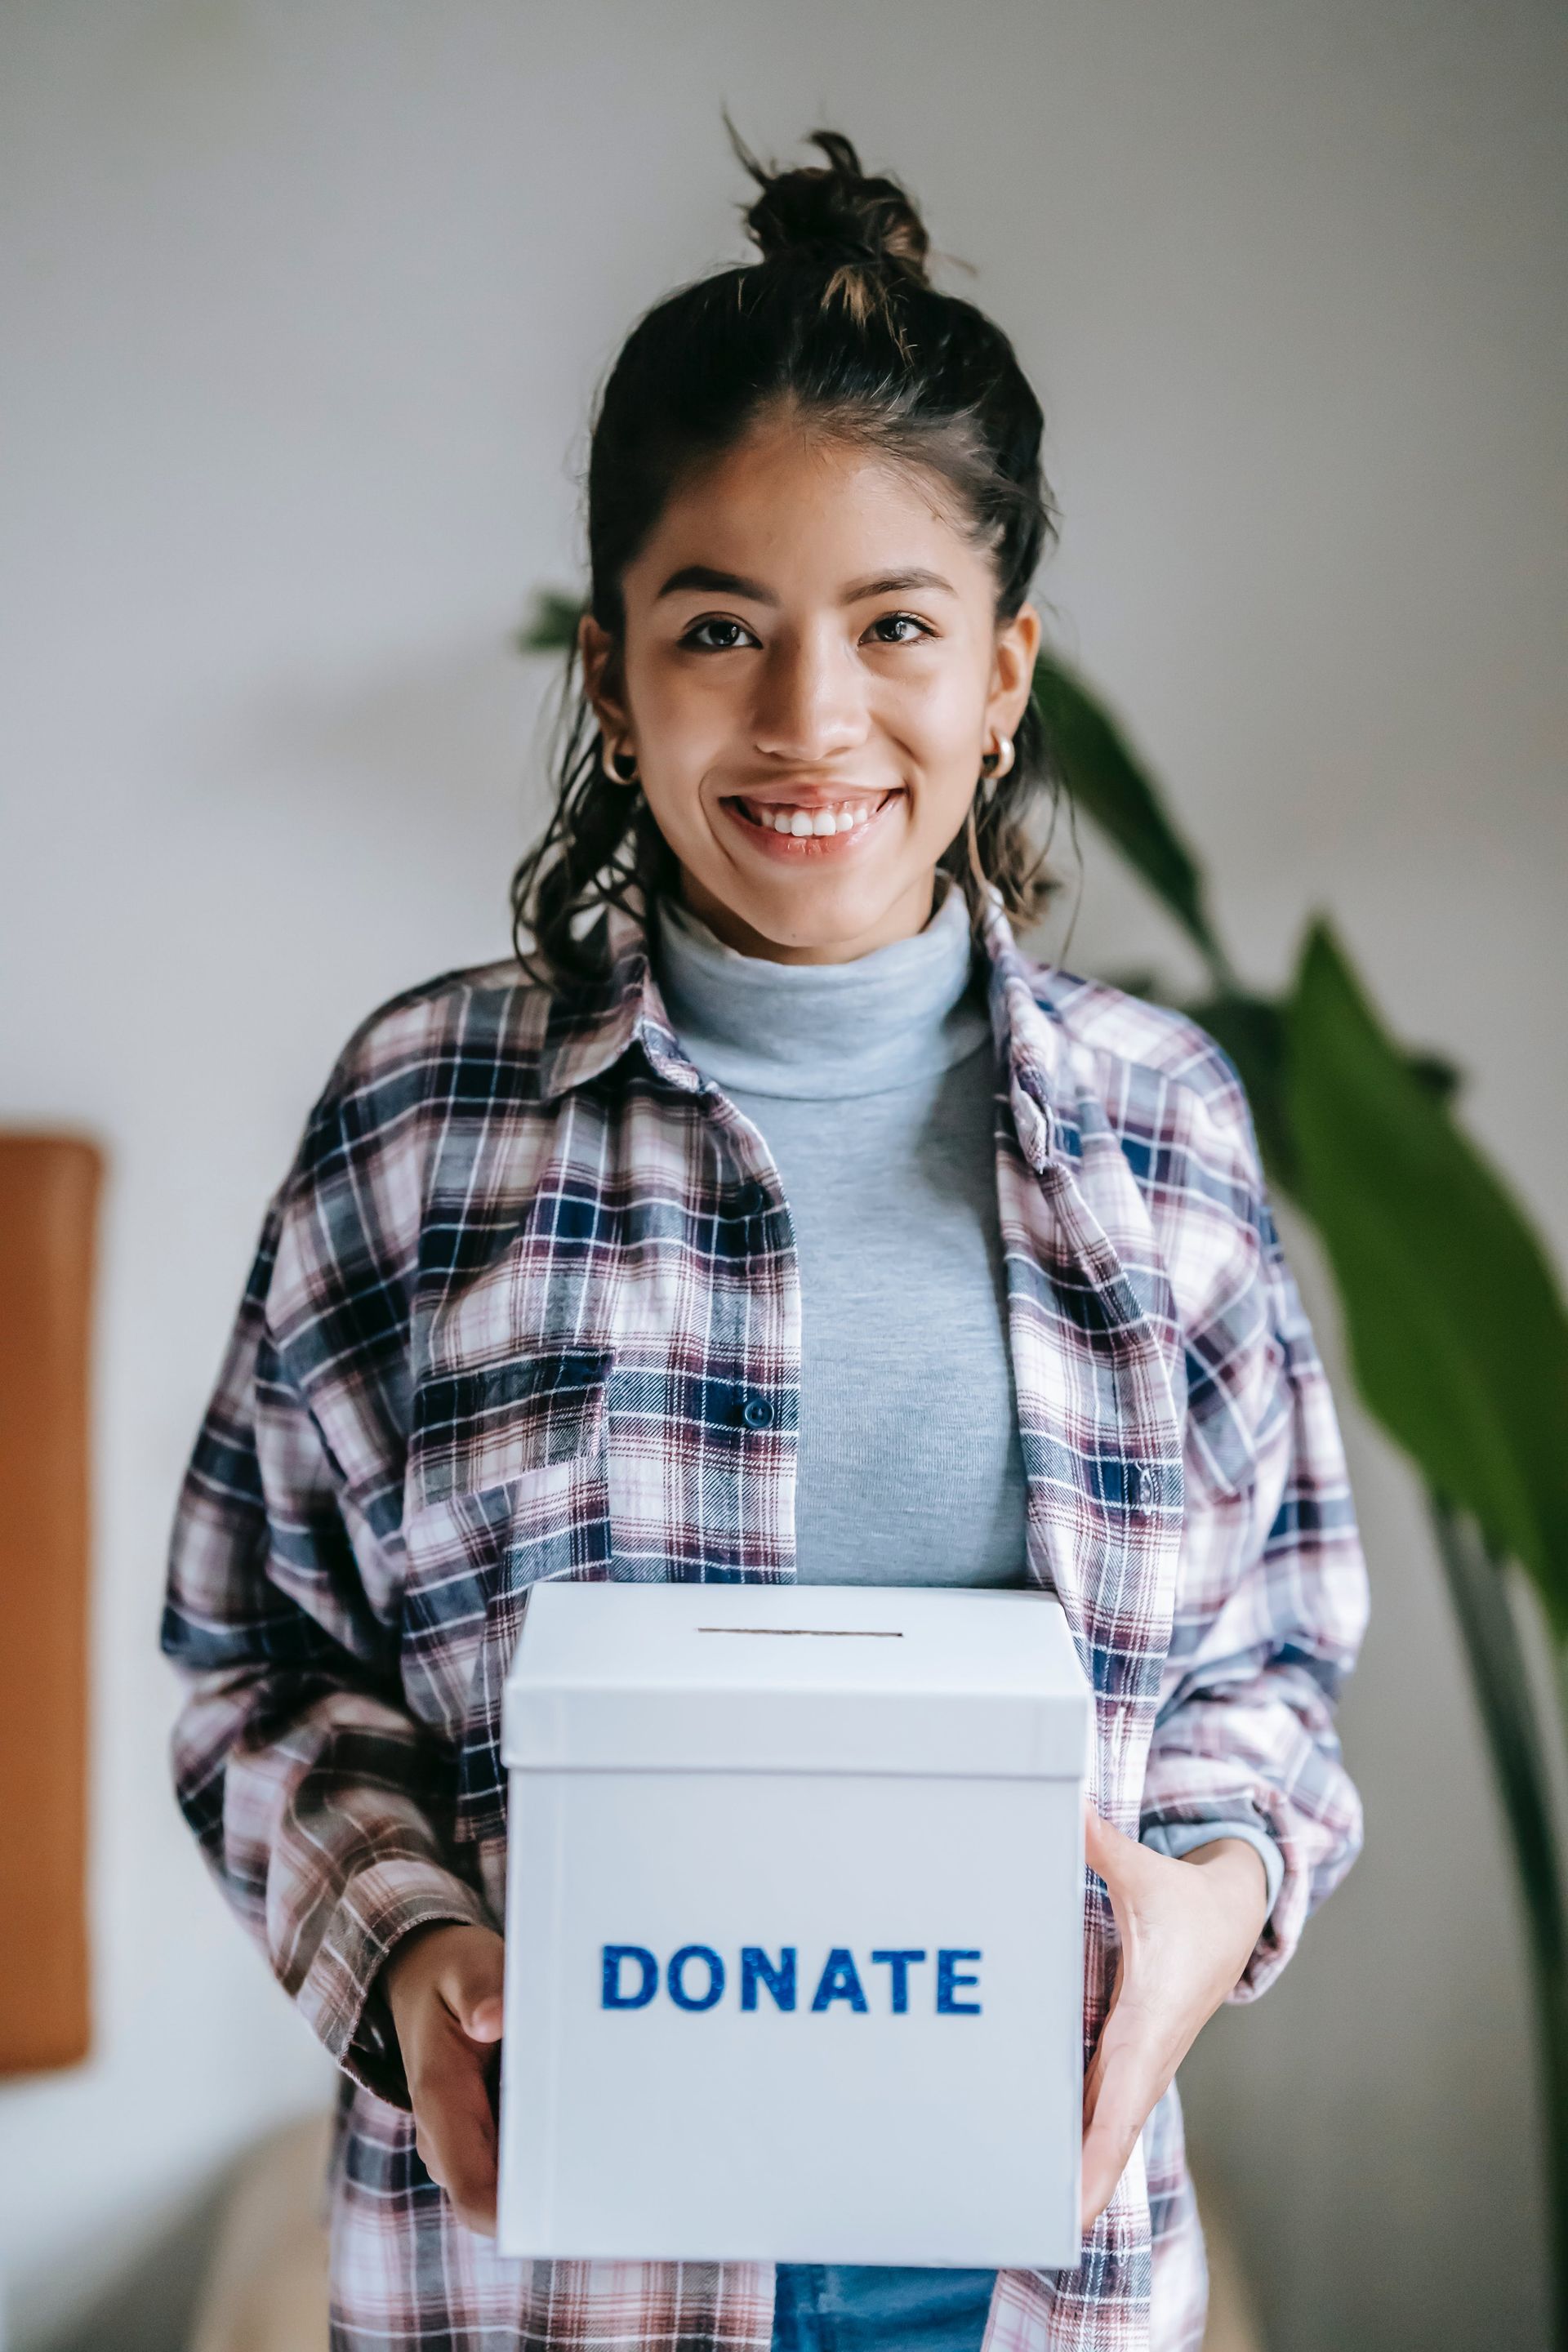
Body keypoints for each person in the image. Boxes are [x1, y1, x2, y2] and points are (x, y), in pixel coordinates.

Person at [163, 128, 1368, 2352]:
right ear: (615, 679)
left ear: (1001, 674)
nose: (811, 719)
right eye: (721, 629)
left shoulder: (1166, 1136)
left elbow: (1271, 1670)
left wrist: (1221, 1897)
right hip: (539, 2286)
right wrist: (412, 1949)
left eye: (893, 628)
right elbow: (255, 1666)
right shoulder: (420, 1126)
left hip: (1035, 2275)